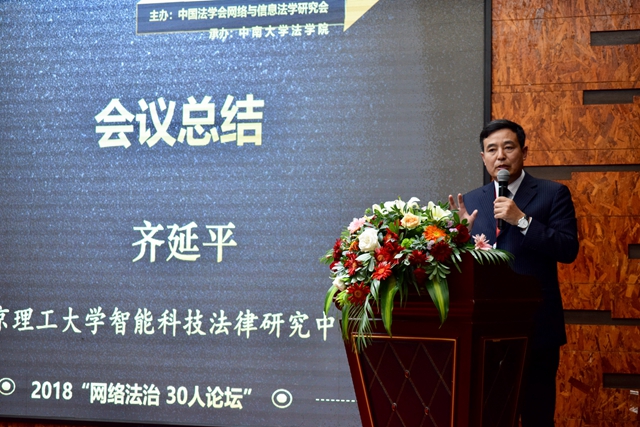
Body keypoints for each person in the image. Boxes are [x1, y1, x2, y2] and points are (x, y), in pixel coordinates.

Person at [449, 119, 579, 427]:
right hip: (484, 332)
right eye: (492, 150)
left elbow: (567, 249)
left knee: (537, 417)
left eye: (508, 147)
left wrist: (522, 220)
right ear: (483, 158)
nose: (501, 156)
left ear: (524, 152)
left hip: (536, 329)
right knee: (488, 416)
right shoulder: (472, 200)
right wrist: (458, 237)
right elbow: (461, 266)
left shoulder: (553, 194)